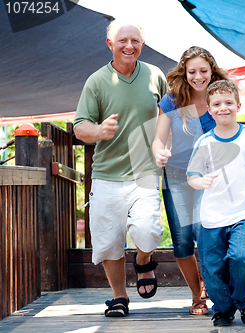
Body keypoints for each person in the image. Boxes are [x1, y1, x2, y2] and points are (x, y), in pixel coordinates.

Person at [73, 20, 167, 317]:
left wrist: (165, 144)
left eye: (135, 40)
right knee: (109, 241)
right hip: (107, 174)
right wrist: (99, 131)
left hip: (145, 172)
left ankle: (143, 260)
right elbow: (79, 127)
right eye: (122, 40)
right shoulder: (97, 81)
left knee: (149, 231)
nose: (129, 46)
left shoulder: (155, 75)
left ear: (142, 43)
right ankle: (119, 297)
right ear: (110, 44)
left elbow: (167, 114)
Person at [187, 80, 245, 327]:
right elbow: (191, 176)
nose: (223, 108)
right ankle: (223, 308)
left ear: (238, 105)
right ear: (209, 109)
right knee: (213, 267)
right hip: (212, 216)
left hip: (244, 213)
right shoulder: (205, 142)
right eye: (217, 104)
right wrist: (200, 180)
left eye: (228, 103)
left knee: (240, 257)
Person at [151, 46, 229, 315]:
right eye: (192, 71)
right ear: (184, 72)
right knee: (183, 241)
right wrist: (159, 152)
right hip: (177, 177)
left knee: (206, 234)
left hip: (210, 179)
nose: (198, 76)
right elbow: (158, 139)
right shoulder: (172, 101)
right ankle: (197, 296)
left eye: (203, 71)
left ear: (212, 71)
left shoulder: (219, 98)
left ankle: (210, 286)